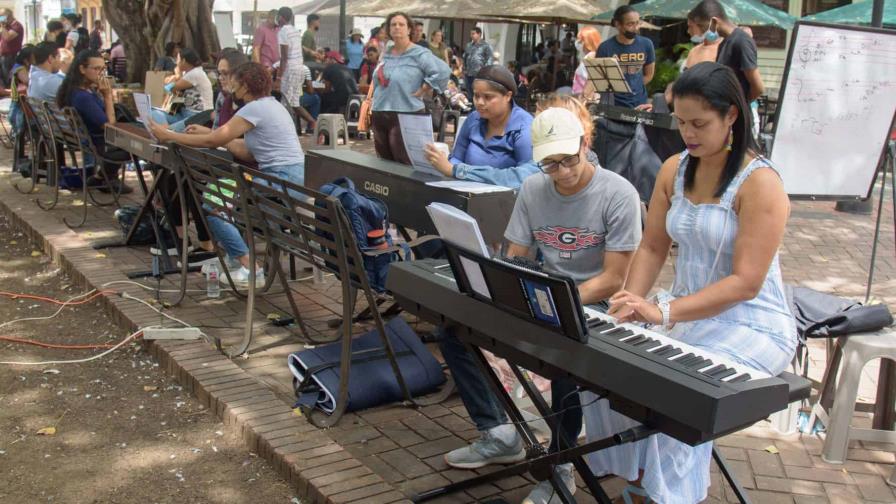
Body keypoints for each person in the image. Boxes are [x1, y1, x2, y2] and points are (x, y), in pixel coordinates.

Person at [581, 62, 796, 504]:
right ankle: (639, 475)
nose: (687, 133)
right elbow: (654, 247)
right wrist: (631, 300)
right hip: (683, 312)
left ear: (731, 116)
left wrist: (663, 312)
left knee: (678, 394)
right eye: (680, 121)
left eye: (699, 123)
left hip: (752, 323)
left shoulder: (761, 184)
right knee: (604, 362)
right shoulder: (674, 169)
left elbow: (745, 283)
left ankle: (668, 494)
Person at [440, 104, 642, 504]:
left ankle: (560, 464)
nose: (563, 172)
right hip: (543, 295)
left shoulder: (618, 193)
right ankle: (498, 432)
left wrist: (557, 301)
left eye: (569, 160)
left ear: (586, 145)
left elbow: (614, 279)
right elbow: (517, 254)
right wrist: (507, 289)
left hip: (595, 303)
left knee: (566, 359)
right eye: (550, 164)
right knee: (452, 330)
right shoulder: (534, 187)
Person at [150, 62, 306, 286]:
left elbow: (216, 141)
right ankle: (239, 261)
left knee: (214, 207)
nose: (231, 88)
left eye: (234, 83)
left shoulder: (253, 109)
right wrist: (210, 132)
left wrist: (169, 136)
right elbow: (245, 151)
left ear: (245, 85)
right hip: (289, 179)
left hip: (280, 181)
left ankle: (249, 266)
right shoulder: (271, 105)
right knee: (225, 202)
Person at [422, 65, 538, 188]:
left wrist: (460, 171)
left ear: (508, 96)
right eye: (476, 96)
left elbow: (526, 176)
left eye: (488, 97)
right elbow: (456, 159)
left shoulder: (523, 127)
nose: (480, 102)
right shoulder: (474, 119)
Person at [370, 12, 450, 164]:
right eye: (393, 24)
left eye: (401, 24)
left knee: (404, 161)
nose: (397, 27)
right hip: (380, 111)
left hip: (407, 112)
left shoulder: (419, 53)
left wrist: (425, 87)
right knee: (383, 162)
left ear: (409, 29)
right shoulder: (386, 51)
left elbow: (443, 71)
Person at [56, 49, 134, 193]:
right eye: (96, 68)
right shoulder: (82, 96)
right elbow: (110, 127)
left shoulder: (80, 90)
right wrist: (107, 96)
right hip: (102, 144)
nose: (101, 73)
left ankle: (101, 177)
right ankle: (107, 177)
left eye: (103, 69)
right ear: (82, 69)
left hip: (93, 140)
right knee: (144, 147)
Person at [690, 0, 764, 102]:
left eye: (702, 26)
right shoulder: (724, 43)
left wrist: (740, 107)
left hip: (735, 114)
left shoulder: (741, 41)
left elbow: (758, 88)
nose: (702, 31)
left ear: (714, 22)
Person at [596, 5, 655, 110]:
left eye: (637, 23)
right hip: (613, 105)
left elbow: (649, 75)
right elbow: (599, 79)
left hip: (640, 103)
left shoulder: (647, 44)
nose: (636, 28)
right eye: (630, 24)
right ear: (618, 24)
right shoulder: (605, 47)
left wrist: (633, 88)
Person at [151, 47, 213, 132]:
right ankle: (167, 131)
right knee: (154, 112)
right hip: (185, 113)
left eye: (178, 59)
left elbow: (170, 88)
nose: (176, 62)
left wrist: (177, 75)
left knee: (163, 125)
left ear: (183, 60)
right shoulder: (189, 73)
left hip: (196, 116)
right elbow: (174, 90)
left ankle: (167, 133)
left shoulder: (195, 73)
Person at [274, 7, 316, 133]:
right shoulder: (296, 31)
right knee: (294, 103)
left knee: (285, 101)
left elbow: (284, 58)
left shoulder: (283, 32)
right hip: (300, 68)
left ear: (281, 17)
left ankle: (283, 130)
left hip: (290, 70)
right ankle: (312, 122)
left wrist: (278, 78)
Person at [571, 26, 602, 99]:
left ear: (587, 41)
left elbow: (591, 82)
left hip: (585, 98)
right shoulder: (591, 56)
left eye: (580, 40)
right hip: (583, 96)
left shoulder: (591, 57)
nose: (577, 42)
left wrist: (583, 99)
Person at [463, 27, 493, 99]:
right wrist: (464, 68)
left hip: (478, 73)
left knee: (477, 92)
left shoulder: (485, 46)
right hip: (468, 73)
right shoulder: (469, 45)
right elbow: (465, 57)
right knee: (469, 92)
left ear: (479, 34)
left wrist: (485, 71)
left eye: (473, 34)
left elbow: (489, 58)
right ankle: (471, 107)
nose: (471, 36)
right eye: (471, 34)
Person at [0, 8, 25, 88]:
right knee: (3, 77)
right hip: (4, 56)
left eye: (1, 16)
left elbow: (7, 37)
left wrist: (2, 27)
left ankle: (11, 92)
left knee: (9, 77)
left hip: (11, 56)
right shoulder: (7, 26)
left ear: (8, 16)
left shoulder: (16, 26)